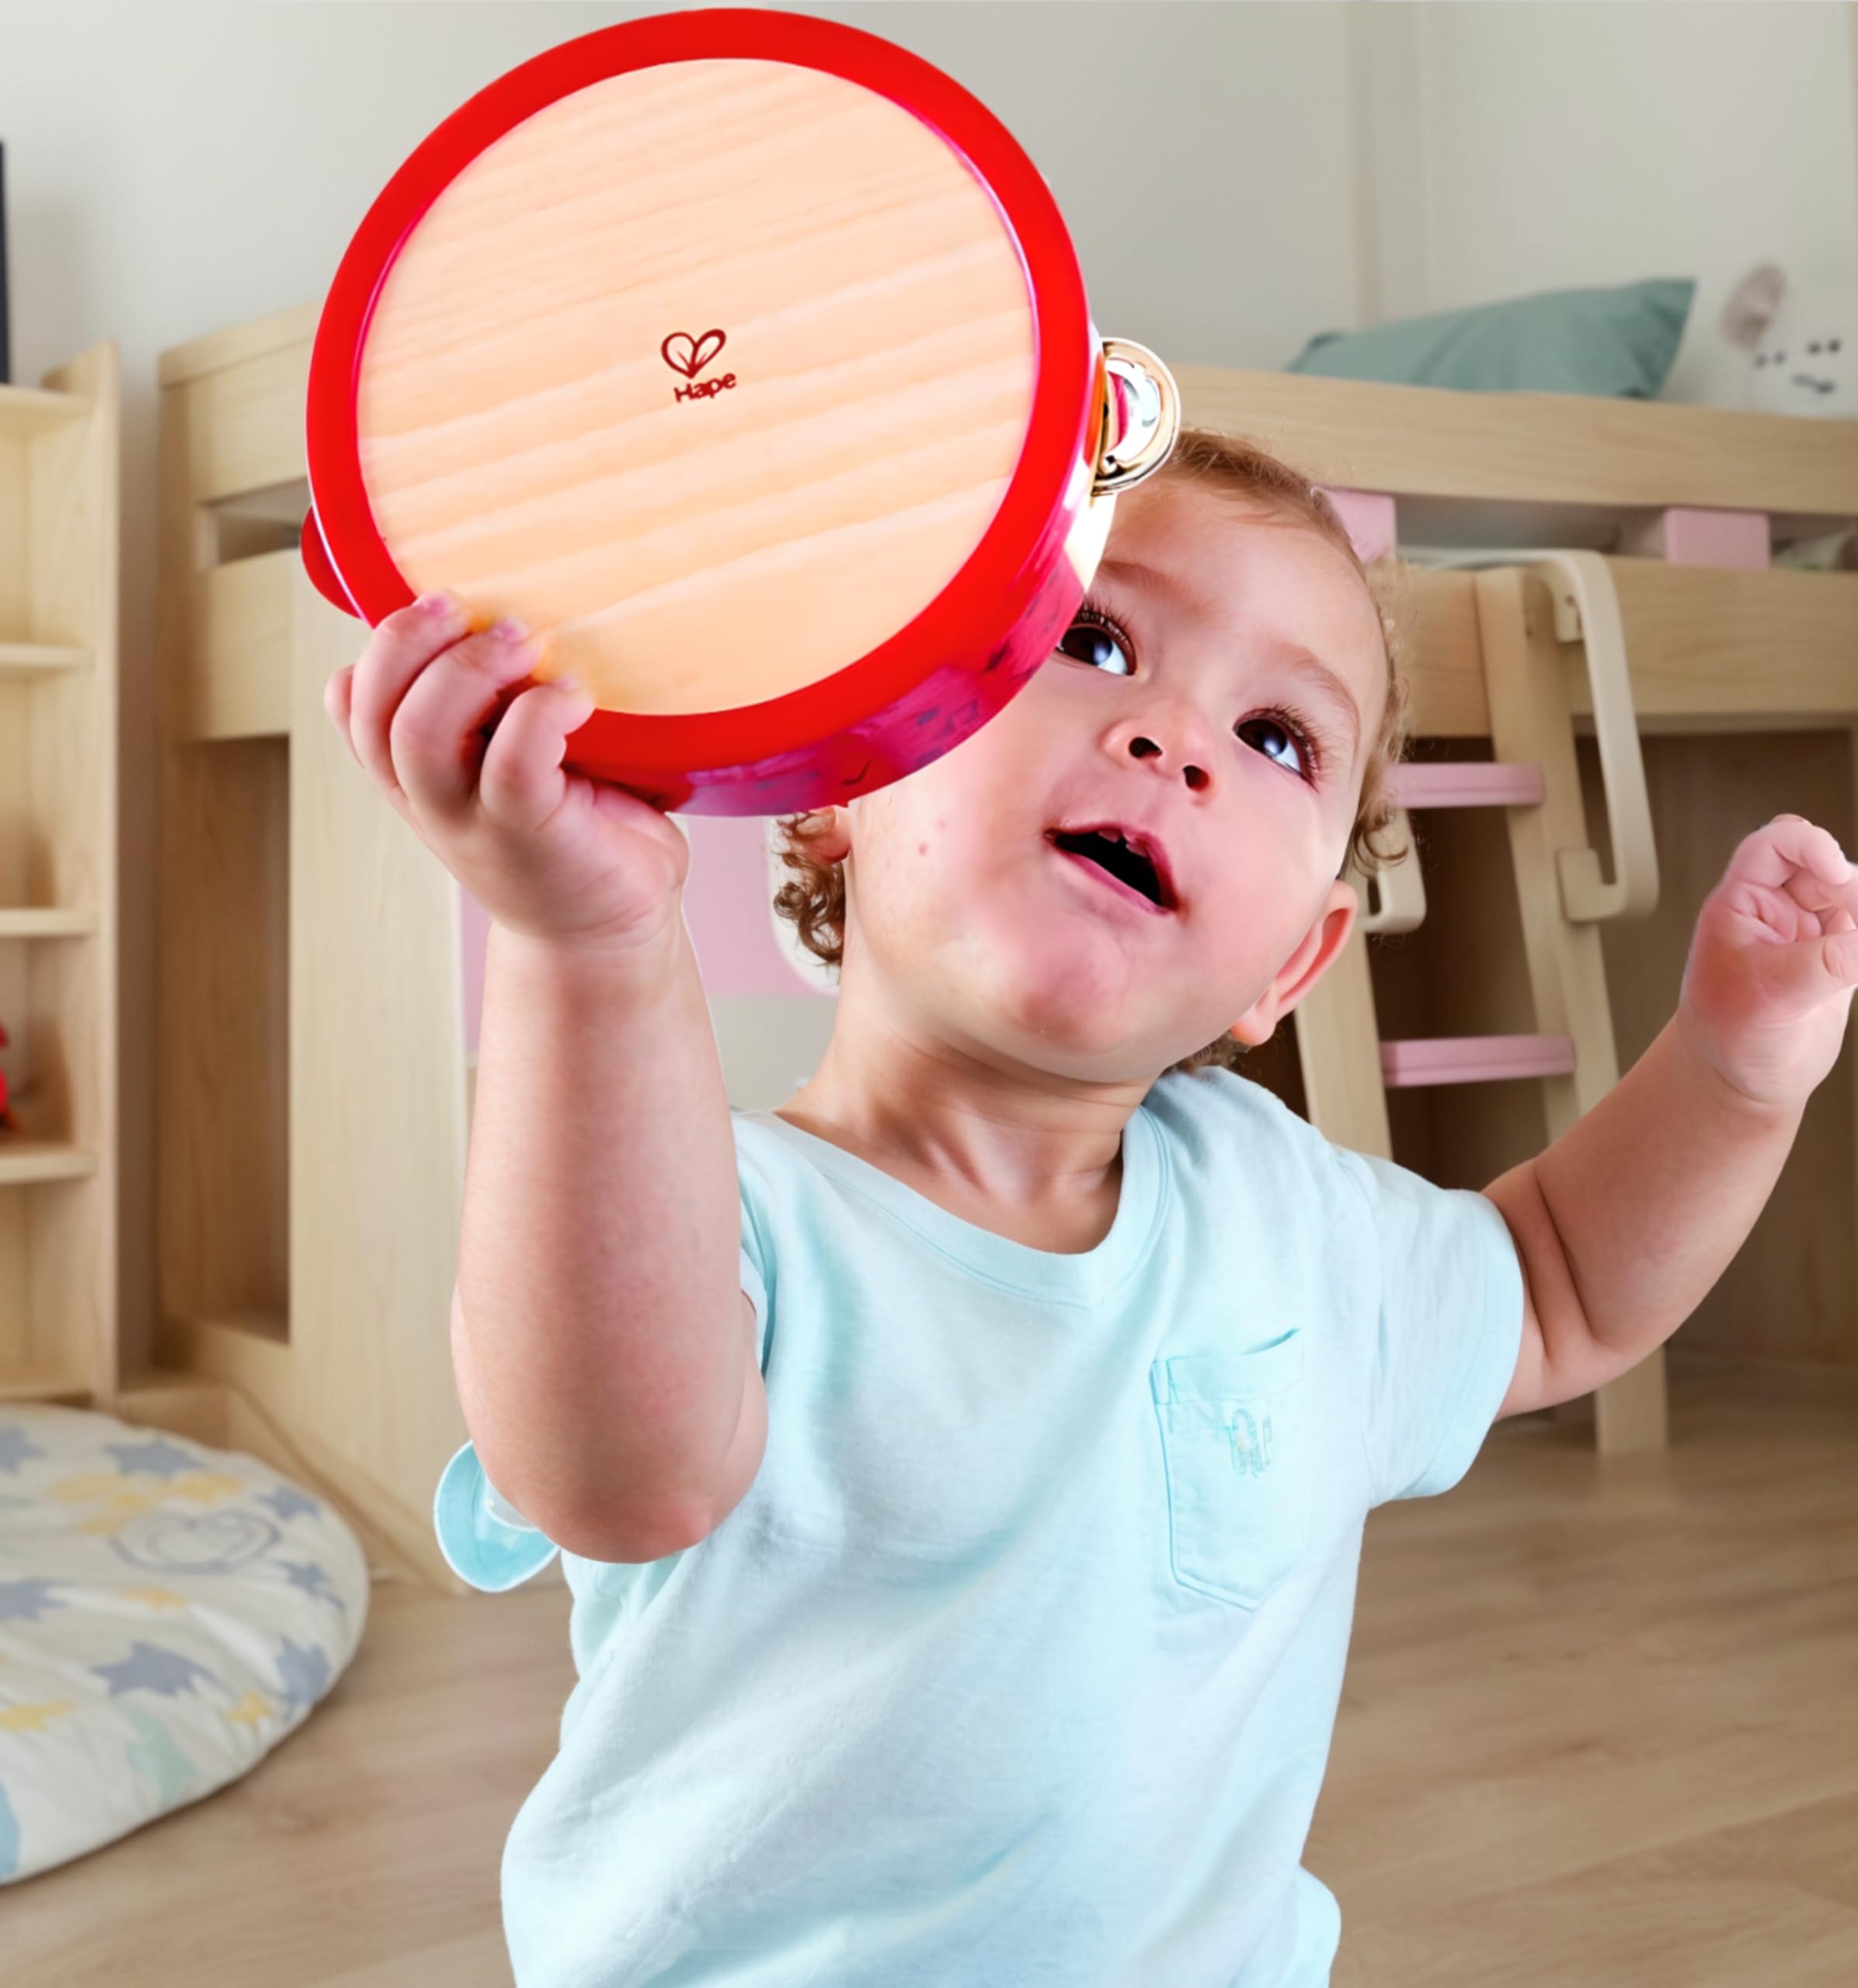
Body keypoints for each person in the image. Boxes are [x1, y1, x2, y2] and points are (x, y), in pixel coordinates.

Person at [327, 429, 1858, 1986]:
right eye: (1091, 636)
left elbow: (1553, 1286)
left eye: (1275, 736)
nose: (1172, 738)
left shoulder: (1276, 1212)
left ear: (1289, 966)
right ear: (843, 779)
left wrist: (1731, 1074)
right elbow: (618, 1470)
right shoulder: (724, 1216)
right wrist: (587, 946)